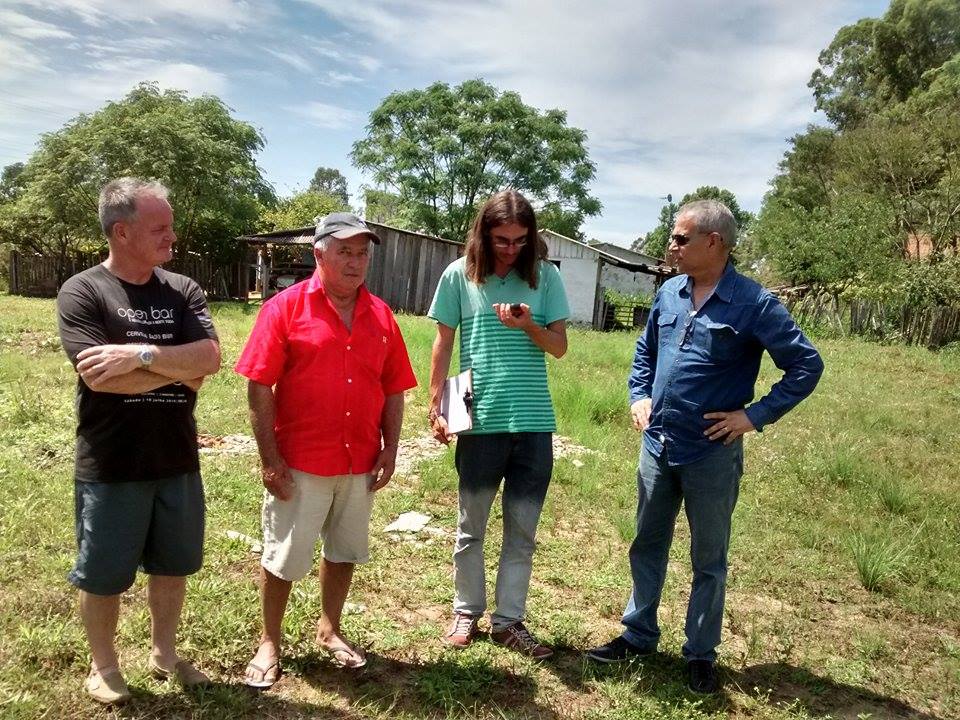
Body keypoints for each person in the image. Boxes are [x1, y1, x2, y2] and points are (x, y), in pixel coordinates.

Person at [586, 200, 824, 693]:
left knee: (708, 557)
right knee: (647, 541)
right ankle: (638, 634)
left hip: (711, 453)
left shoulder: (755, 303)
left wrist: (753, 416)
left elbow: (806, 366)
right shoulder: (669, 293)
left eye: (679, 238)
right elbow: (645, 352)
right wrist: (638, 396)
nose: (670, 246)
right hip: (657, 444)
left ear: (713, 242)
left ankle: (699, 653)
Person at [56, 177, 221, 705]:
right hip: (112, 462)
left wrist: (141, 356)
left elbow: (211, 360)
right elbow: (100, 377)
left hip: (176, 458)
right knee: (104, 572)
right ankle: (102, 666)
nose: (172, 236)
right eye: (161, 227)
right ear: (121, 231)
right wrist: (178, 367)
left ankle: (164, 654)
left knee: (173, 564)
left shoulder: (183, 290)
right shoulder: (83, 292)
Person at [236, 212, 417, 688]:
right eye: (345, 252)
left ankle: (329, 629)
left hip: (358, 460)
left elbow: (393, 387)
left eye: (363, 253)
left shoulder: (381, 315)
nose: (356, 262)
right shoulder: (284, 308)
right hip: (301, 461)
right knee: (285, 557)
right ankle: (269, 641)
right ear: (319, 254)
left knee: (344, 551)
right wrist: (270, 460)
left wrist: (390, 448)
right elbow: (259, 385)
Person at [428, 190, 570, 659]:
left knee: (521, 531)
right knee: (471, 528)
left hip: (533, 425)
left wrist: (529, 326)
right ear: (483, 234)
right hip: (479, 418)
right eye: (501, 239)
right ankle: (465, 612)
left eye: (519, 240)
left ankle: (509, 621)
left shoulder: (546, 278)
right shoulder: (459, 276)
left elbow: (559, 347)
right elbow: (443, 343)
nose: (510, 248)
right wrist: (438, 404)